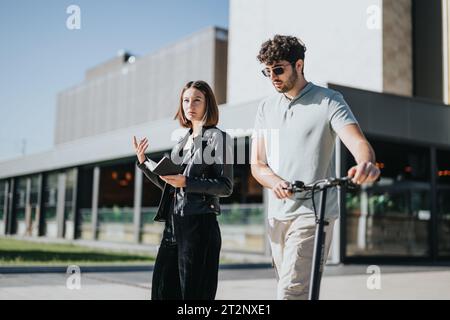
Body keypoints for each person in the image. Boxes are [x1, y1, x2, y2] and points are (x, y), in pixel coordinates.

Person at [250, 35, 381, 300]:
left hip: (313, 213)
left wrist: (365, 164)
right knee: (293, 289)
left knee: (291, 292)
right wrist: (275, 182)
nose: (272, 77)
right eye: (267, 71)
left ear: (299, 65)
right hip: (277, 215)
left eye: (278, 69)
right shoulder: (266, 108)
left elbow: (357, 142)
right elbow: (258, 163)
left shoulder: (329, 100)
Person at [132, 80, 233, 300]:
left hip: (200, 226)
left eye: (197, 99)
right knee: (161, 292)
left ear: (208, 104)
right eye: (186, 100)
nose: (190, 105)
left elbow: (225, 186)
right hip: (173, 226)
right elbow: (170, 185)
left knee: (194, 298)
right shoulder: (182, 142)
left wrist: (187, 181)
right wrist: (144, 163)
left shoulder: (218, 138)